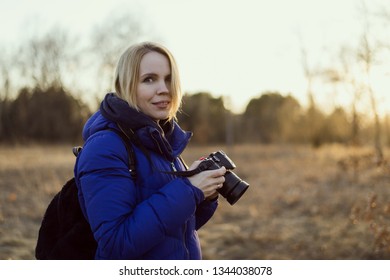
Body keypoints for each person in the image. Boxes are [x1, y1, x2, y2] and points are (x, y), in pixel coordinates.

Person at [74, 41, 226, 260]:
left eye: (168, 79)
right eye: (149, 79)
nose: (164, 89)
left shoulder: (161, 139)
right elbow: (116, 243)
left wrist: (204, 196)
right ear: (125, 86)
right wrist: (189, 190)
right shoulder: (105, 147)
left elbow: (175, 231)